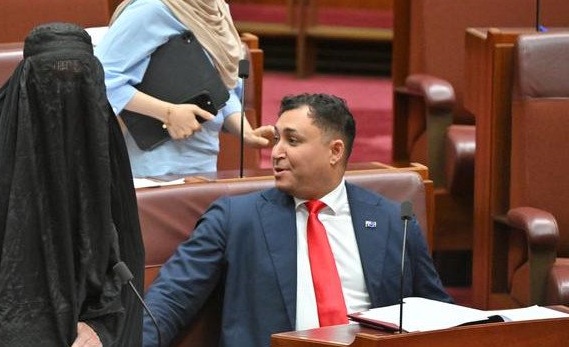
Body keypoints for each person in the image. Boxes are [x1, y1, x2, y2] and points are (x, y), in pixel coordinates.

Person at [142, 93, 452, 347]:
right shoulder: (235, 219)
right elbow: (168, 302)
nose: (276, 152)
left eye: (292, 141)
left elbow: (436, 311)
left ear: (335, 151)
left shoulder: (391, 219)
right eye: (277, 139)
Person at [0, 23, 144, 347]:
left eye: (78, 80)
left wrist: (100, 328)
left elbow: (125, 254)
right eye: (53, 78)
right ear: (26, 81)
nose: (65, 93)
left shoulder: (103, 145)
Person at [95, 0, 272, 177]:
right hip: (151, 174)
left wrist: (244, 131)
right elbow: (99, 79)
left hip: (201, 167)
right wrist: (167, 112)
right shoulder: (153, 6)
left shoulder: (213, 3)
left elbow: (219, 83)